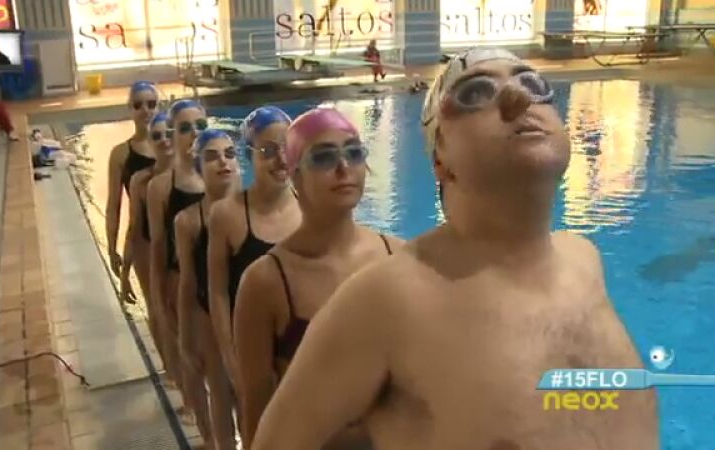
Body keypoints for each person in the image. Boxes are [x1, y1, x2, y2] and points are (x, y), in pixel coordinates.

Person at [251, 47, 659, 450]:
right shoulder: (385, 300)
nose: (518, 96)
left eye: (533, 84)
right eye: (475, 93)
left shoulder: (584, 259)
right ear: (440, 159)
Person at [234, 107, 404, 448]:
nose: (344, 167)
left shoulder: (397, 256)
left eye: (354, 153)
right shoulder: (266, 282)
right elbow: (255, 409)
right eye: (324, 157)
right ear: (294, 175)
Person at [207, 106, 301, 390]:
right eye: (268, 151)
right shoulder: (226, 215)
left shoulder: (310, 205)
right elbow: (218, 293)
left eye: (286, 147)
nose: (281, 159)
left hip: (303, 352)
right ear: (249, 155)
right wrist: (230, 357)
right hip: (252, 352)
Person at [175, 129, 242, 450]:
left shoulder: (252, 209)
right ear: (199, 167)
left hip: (248, 314)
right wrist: (185, 339)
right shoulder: (188, 220)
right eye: (212, 156)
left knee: (251, 400)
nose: (223, 162)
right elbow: (188, 282)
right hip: (210, 318)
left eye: (229, 154)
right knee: (221, 394)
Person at [146, 99, 206, 409]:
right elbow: (158, 249)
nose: (195, 133)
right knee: (191, 361)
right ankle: (199, 416)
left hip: (216, 284)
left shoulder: (225, 176)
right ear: (172, 133)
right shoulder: (159, 188)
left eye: (201, 126)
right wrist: (159, 302)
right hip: (179, 282)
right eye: (185, 128)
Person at [119, 110, 173, 314]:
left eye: (169, 134)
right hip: (151, 254)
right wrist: (125, 272)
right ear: (150, 142)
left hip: (181, 259)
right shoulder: (140, 181)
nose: (164, 140)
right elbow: (134, 228)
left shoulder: (195, 176)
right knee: (158, 314)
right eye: (157, 136)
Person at [106, 81, 158, 280]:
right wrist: (112, 248)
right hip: (142, 241)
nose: (146, 111)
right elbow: (114, 206)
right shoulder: (120, 154)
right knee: (152, 299)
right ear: (130, 109)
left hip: (174, 236)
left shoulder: (172, 148)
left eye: (151, 104)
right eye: (138, 105)